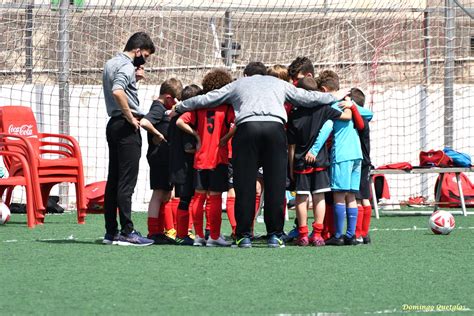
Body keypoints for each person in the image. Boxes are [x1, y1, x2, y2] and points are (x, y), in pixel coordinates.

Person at [171, 61, 340, 248]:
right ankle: (274, 235)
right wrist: (333, 98)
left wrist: (180, 107)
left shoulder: (239, 84)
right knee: (275, 184)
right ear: (265, 73)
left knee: (245, 183)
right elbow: (307, 97)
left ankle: (244, 236)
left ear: (246, 75)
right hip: (275, 129)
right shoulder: (279, 83)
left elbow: (209, 98)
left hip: (247, 129)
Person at [306, 70, 372, 246]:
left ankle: (338, 235)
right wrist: (352, 106)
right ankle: (351, 235)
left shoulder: (334, 107)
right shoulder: (349, 105)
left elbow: (325, 130)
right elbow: (369, 114)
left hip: (342, 156)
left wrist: (313, 150)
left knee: (338, 195)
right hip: (357, 156)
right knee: (351, 195)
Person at [102, 31, 155, 246]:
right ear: (138, 50)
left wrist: (135, 79)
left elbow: (119, 88)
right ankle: (127, 231)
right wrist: (130, 117)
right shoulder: (126, 65)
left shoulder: (110, 63)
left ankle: (111, 231)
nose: (145, 61)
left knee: (113, 180)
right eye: (146, 56)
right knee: (126, 181)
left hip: (113, 125)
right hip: (126, 125)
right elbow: (117, 91)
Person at [287, 77, 352, 246]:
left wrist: (291, 167)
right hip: (320, 160)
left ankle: (302, 234)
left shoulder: (294, 114)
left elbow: (291, 146)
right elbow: (346, 117)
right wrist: (349, 104)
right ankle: (317, 234)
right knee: (319, 196)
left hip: (301, 161)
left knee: (301, 198)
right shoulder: (324, 109)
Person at [176, 68, 235, 247]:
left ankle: (199, 236)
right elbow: (236, 123)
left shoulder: (198, 106)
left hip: (200, 158)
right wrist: (225, 138)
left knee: (198, 197)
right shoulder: (226, 108)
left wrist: (197, 135)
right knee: (215, 197)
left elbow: (180, 121)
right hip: (218, 157)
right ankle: (214, 236)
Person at [140, 78, 183, 245]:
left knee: (166, 193)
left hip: (165, 157)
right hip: (158, 157)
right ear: (167, 97)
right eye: (174, 100)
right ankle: (153, 231)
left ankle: (162, 230)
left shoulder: (162, 108)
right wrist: (157, 135)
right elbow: (144, 122)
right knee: (158, 193)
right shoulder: (157, 108)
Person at [168, 84, 203, 245]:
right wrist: (201, 143)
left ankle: (182, 232)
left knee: (183, 198)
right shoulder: (186, 119)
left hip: (176, 163)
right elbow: (189, 148)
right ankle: (182, 234)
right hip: (186, 166)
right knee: (187, 199)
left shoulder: (174, 116)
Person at [351, 88, 374, 244]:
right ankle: (365, 234)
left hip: (360, 163)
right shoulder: (365, 119)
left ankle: (358, 233)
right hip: (366, 162)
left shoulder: (359, 121)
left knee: (358, 199)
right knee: (365, 198)